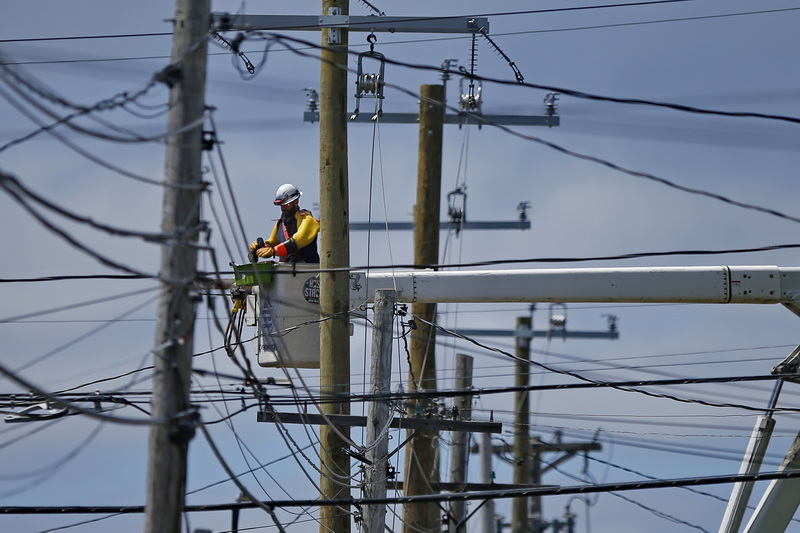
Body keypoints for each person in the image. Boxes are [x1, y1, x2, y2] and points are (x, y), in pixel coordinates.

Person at [249, 183, 320, 263]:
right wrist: (258, 249)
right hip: (286, 270)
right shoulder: (280, 224)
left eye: (287, 204)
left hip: (307, 269)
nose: (284, 208)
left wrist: (274, 251)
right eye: (281, 205)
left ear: (296, 201)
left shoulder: (306, 219)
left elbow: (299, 239)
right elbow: (272, 243)